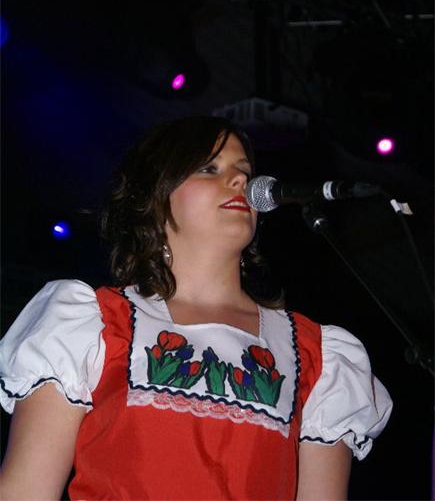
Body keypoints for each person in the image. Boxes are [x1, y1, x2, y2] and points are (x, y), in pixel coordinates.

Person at [0, 116, 392, 500]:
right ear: (156, 197)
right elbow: (25, 491)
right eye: (209, 168)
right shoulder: (94, 323)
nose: (239, 180)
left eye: (244, 171)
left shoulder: (317, 355)